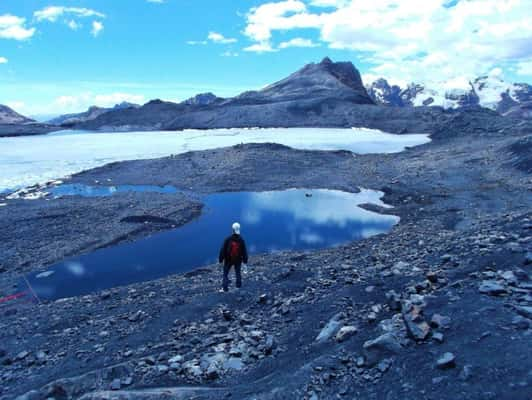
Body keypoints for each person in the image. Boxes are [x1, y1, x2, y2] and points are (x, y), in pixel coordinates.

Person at [219, 222, 248, 292]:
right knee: (238, 272)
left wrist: (221, 259)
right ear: (239, 229)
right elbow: (244, 251)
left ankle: (225, 288)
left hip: (228, 259)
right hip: (238, 260)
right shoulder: (241, 240)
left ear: (232, 229)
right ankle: (238, 286)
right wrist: (245, 260)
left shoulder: (228, 239)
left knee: (225, 274)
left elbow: (223, 250)